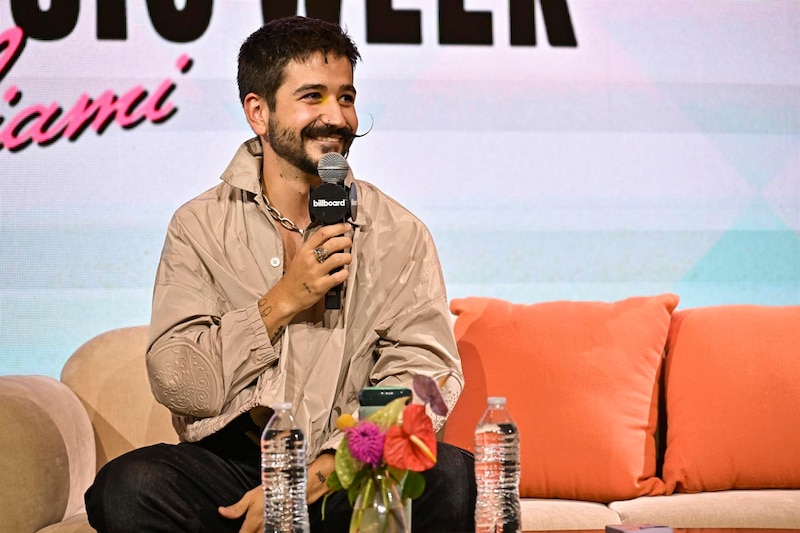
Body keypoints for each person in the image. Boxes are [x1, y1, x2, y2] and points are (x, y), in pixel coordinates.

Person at [84, 15, 476, 533]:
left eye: (346, 97)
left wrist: (330, 469)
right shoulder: (199, 225)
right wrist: (283, 300)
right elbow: (181, 383)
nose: (336, 117)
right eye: (312, 97)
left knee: (450, 476)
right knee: (126, 488)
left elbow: (427, 375)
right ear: (258, 112)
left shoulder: (399, 232)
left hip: (347, 467)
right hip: (236, 466)